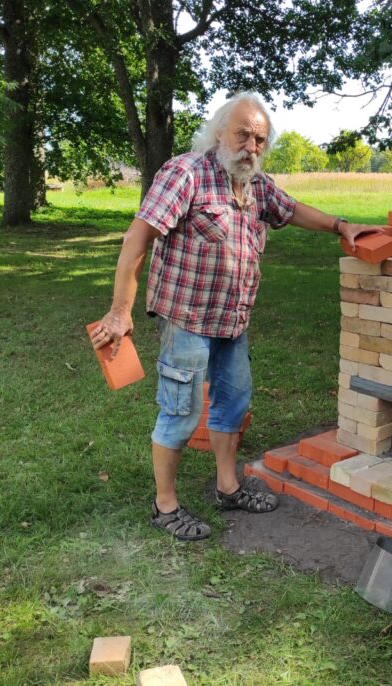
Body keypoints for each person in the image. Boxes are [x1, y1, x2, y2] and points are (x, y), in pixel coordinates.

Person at [90, 92, 376, 541]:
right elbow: (136, 239)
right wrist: (120, 311)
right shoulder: (185, 173)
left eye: (259, 139)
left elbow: (291, 210)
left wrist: (341, 225)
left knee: (233, 404)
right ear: (219, 132)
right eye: (243, 135)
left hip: (233, 320)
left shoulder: (256, 185)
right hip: (187, 318)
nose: (251, 147)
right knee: (181, 413)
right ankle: (165, 506)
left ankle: (227, 487)